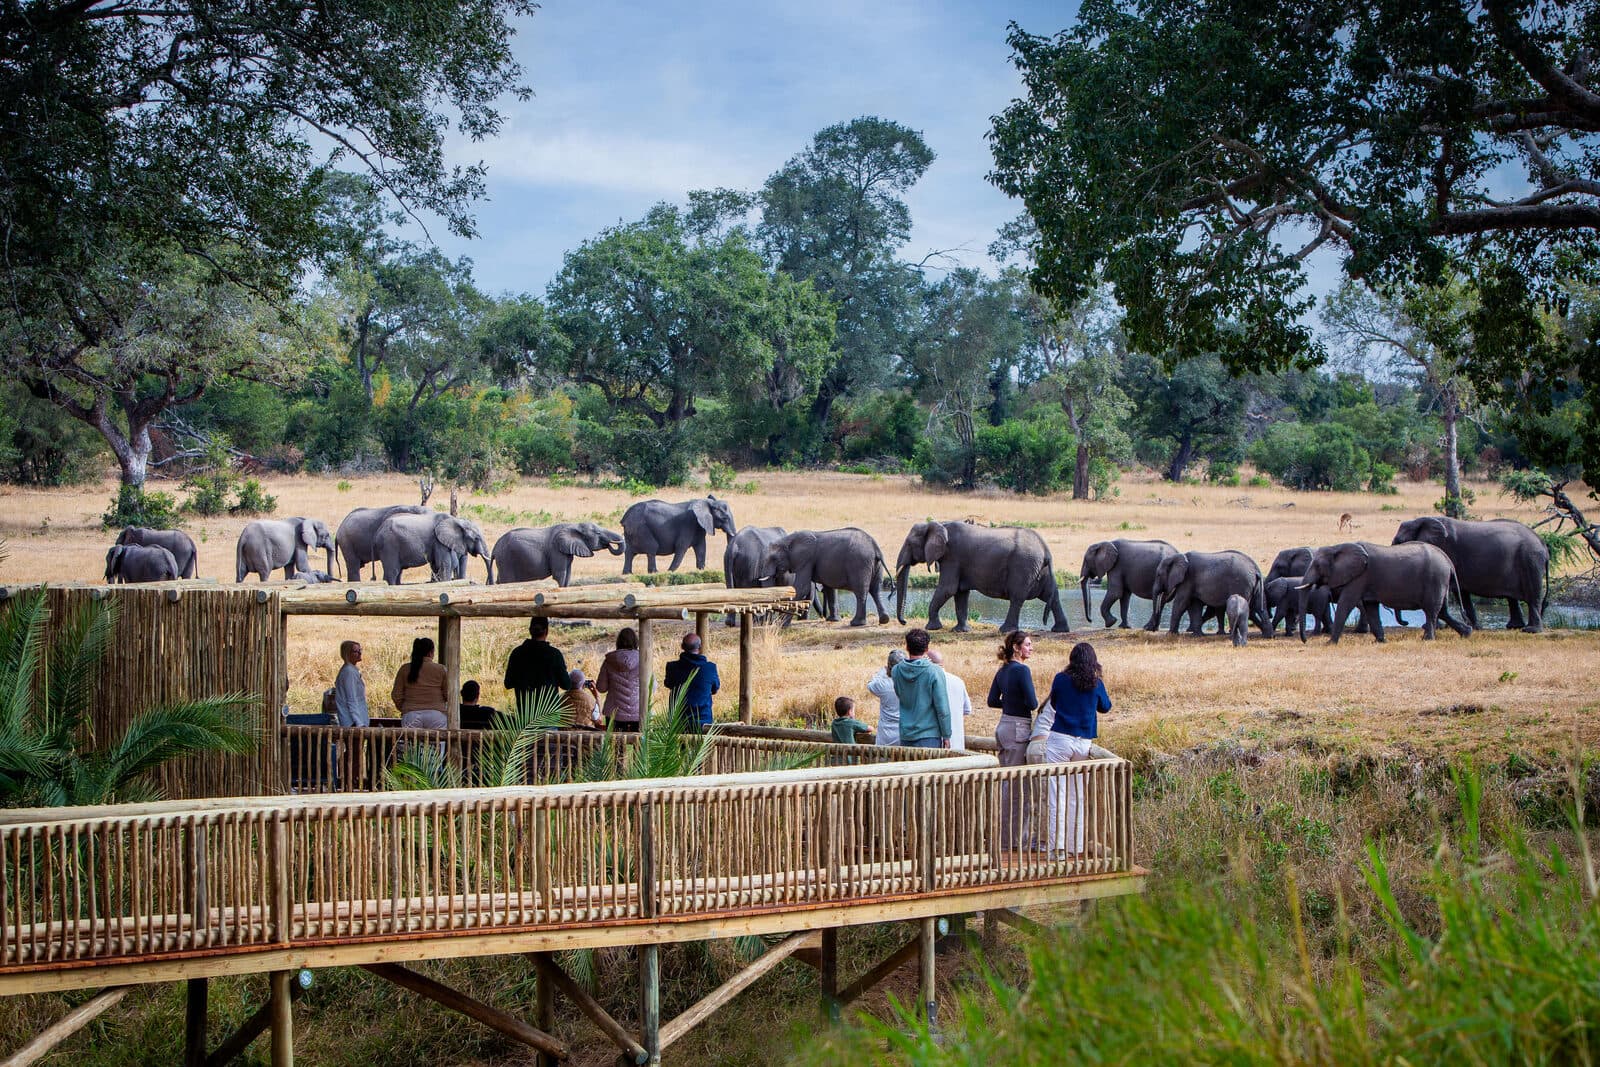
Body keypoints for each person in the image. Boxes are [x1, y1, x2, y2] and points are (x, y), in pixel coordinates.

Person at [1043, 642, 1112, 858]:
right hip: (1083, 742)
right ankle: (1076, 845)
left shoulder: (1061, 679)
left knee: (1057, 794)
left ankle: (1058, 848)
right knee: (1077, 795)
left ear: (1072, 659)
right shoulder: (1095, 682)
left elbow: (1053, 702)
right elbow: (1106, 707)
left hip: (1060, 739)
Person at [987, 631, 1039, 849]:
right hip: (1018, 726)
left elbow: (992, 701)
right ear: (1016, 647)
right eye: (1027, 644)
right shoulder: (1022, 670)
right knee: (1019, 787)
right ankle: (1015, 840)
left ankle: (1004, 836)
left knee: (1007, 783)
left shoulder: (1003, 671)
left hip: (1003, 725)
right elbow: (1033, 702)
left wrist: (1008, 703)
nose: (1031, 648)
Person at [891, 628, 950, 749]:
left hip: (906, 734)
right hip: (929, 734)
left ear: (907, 647)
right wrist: (946, 734)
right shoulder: (934, 671)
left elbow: (899, 694)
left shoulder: (896, 670)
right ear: (927, 649)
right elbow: (942, 708)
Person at [504, 617, 574, 716]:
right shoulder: (554, 654)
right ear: (547, 631)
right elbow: (566, 685)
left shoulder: (517, 653)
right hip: (548, 715)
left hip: (525, 714)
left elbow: (508, 683)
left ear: (530, 630)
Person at [663, 633, 720, 731]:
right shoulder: (710, 668)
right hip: (703, 721)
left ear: (682, 647)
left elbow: (668, 683)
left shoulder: (672, 667)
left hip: (678, 720)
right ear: (700, 647)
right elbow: (715, 688)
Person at [391, 637, 449, 730]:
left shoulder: (405, 669)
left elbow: (396, 695)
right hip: (436, 715)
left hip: (411, 714)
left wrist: (406, 708)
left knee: (412, 744)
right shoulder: (441, 669)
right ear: (431, 652)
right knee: (437, 743)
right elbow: (448, 694)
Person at [596, 628, 642, 732]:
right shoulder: (643, 659)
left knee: (615, 746)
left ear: (618, 642)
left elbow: (601, 688)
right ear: (636, 641)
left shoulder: (609, 661)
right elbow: (652, 687)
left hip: (614, 714)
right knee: (639, 746)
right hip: (639, 712)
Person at [925, 648, 971, 751]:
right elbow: (967, 709)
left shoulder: (928, 682)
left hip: (937, 742)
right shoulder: (958, 681)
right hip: (957, 741)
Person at [866, 649, 907, 746]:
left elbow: (870, 684)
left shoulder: (883, 684)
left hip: (886, 733)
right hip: (905, 731)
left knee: (883, 758)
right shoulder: (911, 683)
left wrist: (882, 672)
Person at [333, 640, 369, 728]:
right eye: (356, 651)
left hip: (355, 720)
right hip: (352, 722)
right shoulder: (349, 672)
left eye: (360, 650)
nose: (359, 653)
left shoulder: (352, 670)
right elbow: (351, 699)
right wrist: (359, 723)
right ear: (347, 654)